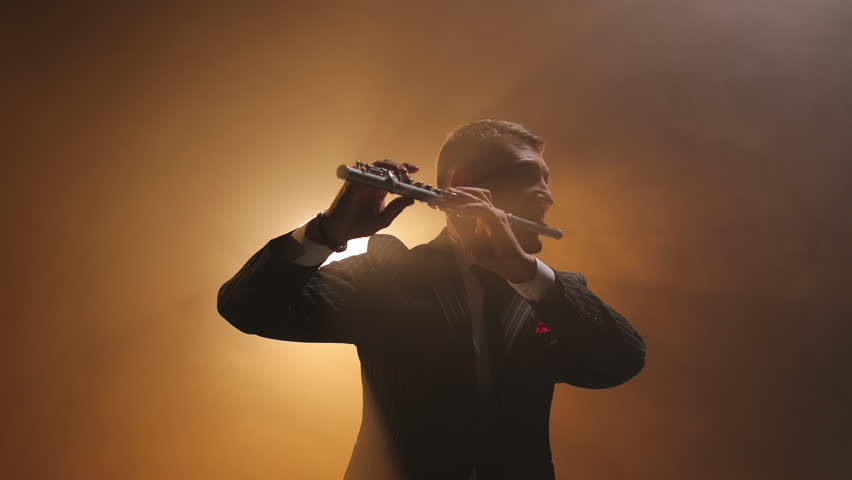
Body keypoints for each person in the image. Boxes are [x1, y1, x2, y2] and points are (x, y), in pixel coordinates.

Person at [217, 120, 646, 480]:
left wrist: (524, 273)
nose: (547, 194)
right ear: (462, 186)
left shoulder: (554, 292)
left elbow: (619, 362)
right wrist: (328, 232)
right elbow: (247, 307)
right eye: (526, 174)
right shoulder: (387, 274)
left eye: (548, 180)